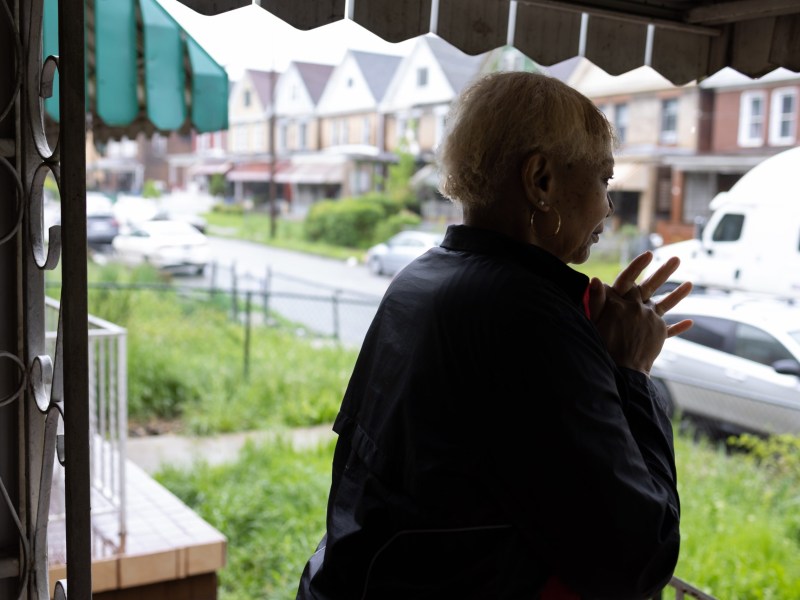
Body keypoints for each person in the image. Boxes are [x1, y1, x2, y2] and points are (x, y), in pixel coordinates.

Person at [296, 71, 693, 600]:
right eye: (603, 179)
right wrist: (632, 372)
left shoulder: (421, 279)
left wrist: (591, 355)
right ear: (541, 180)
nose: (607, 208)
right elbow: (639, 559)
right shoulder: (527, 319)